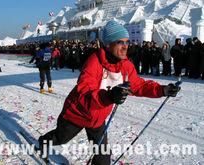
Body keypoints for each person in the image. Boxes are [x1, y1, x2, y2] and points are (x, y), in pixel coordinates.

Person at [38, 20, 181, 165]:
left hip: (98, 117)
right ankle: (42, 143)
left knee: (103, 159)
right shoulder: (94, 63)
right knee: (61, 138)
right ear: (108, 44)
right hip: (78, 113)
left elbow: (138, 86)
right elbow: (85, 93)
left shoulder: (126, 65)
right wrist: (110, 96)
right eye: (120, 42)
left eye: (127, 42)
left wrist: (162, 90)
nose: (125, 46)